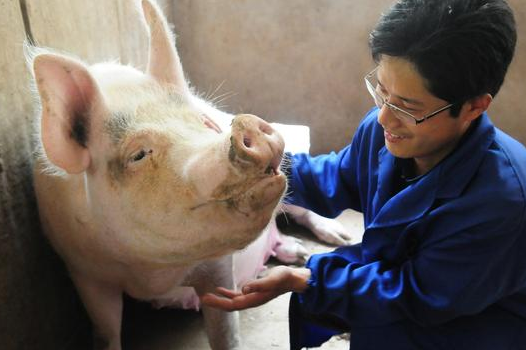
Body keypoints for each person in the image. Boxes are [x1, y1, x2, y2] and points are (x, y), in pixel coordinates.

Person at [201, 0, 526, 349]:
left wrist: (309, 280)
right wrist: (264, 166)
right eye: (382, 91)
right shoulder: (384, 129)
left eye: (408, 107)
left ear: (474, 107)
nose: (385, 117)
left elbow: (419, 293)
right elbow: (337, 178)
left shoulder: (503, 201)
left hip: (467, 321)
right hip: (409, 287)